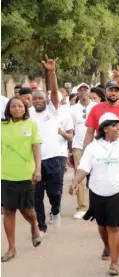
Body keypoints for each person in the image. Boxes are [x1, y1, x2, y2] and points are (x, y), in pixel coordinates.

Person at [70, 112, 119, 276]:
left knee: (115, 226)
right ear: (104, 129)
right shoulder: (93, 148)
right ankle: (108, 245)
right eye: (114, 125)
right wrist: (75, 182)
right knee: (103, 225)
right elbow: (84, 168)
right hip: (97, 190)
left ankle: (115, 262)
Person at [31, 56, 74, 234]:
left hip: (55, 157)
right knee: (37, 195)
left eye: (41, 98)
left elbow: (55, 93)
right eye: (35, 99)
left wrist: (52, 73)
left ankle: (55, 210)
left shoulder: (53, 109)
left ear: (46, 100)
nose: (38, 101)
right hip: (35, 159)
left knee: (55, 192)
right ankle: (41, 226)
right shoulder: (28, 113)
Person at [1, 97, 42, 262]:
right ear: (8, 110)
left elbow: (36, 147)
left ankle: (34, 226)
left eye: (20, 106)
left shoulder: (31, 125)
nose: (17, 109)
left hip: (26, 174)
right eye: (13, 106)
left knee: (27, 210)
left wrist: (38, 169)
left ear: (25, 109)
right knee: (9, 210)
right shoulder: (2, 126)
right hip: (6, 175)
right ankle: (11, 247)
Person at [69, 83, 96, 219]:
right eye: (81, 90)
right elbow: (70, 129)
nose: (84, 92)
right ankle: (81, 207)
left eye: (86, 89)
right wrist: (69, 150)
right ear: (77, 93)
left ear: (89, 92)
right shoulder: (72, 109)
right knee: (79, 175)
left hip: (95, 145)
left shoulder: (96, 106)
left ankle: (96, 206)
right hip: (78, 146)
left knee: (96, 175)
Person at [84, 80, 119, 148]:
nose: (114, 93)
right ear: (105, 91)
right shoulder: (95, 109)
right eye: (111, 90)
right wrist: (85, 155)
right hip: (102, 151)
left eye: (116, 91)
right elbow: (89, 134)